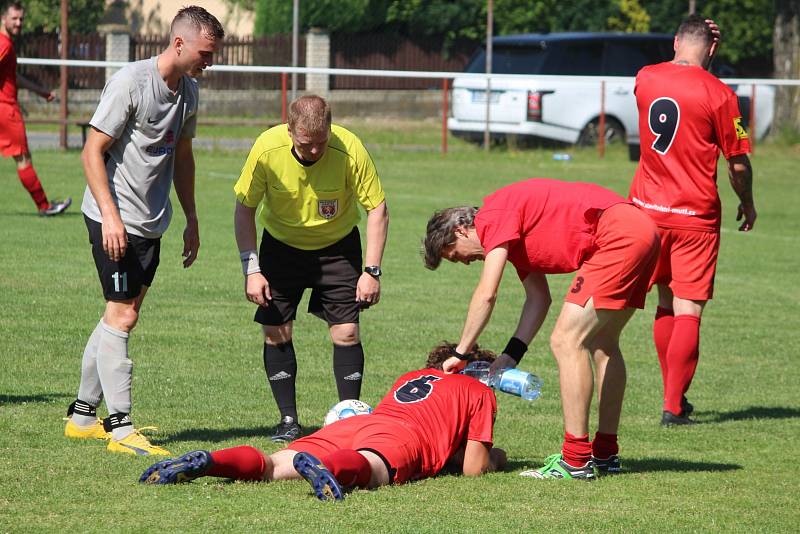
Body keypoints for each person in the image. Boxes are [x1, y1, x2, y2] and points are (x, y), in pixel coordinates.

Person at [62, 6, 224, 456]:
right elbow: (92, 150)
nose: (209, 63)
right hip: (112, 218)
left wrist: (191, 218)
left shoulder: (189, 91)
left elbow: (183, 157)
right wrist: (111, 218)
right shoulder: (130, 82)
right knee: (123, 315)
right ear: (179, 43)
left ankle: (81, 416)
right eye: (205, 53)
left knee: (120, 315)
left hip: (152, 222)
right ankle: (120, 427)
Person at [423, 178, 660, 480]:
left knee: (566, 340)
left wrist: (461, 351)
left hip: (619, 234)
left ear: (460, 230)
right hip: (642, 229)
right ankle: (605, 453)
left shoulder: (492, 216)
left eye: (455, 255)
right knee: (604, 343)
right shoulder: (510, 233)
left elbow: (487, 293)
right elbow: (539, 298)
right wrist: (510, 356)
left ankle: (575, 460)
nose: (465, 262)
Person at [139, 343, 506, 501]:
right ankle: (326, 468)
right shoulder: (478, 391)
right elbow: (473, 469)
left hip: (357, 424)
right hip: (400, 437)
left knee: (272, 466)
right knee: (372, 467)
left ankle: (210, 462)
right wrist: (498, 459)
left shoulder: (412, 376)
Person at [233, 95, 389, 443]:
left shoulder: (350, 149)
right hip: (280, 248)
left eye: (321, 143)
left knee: (347, 333)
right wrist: (251, 268)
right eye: (306, 144)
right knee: (276, 332)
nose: (315, 152)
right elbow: (244, 209)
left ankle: (349, 419)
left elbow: (377, 208)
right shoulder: (266, 149)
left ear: (330, 130)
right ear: (289, 131)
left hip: (337, 249)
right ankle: (288, 420)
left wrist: (372, 270)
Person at [629, 15, 755, 426]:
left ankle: (675, 401)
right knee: (688, 309)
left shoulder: (645, 77)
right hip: (694, 216)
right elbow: (737, 164)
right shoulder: (720, 94)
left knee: (664, 303)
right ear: (713, 48)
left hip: (645, 212)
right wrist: (748, 203)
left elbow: (681, 91)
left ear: (676, 40)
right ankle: (673, 404)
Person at [0, 1, 70, 216]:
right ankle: (44, 207)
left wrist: (41, 91)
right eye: (14, 18)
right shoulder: (4, 44)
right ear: (3, 18)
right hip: (6, 110)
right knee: (23, 159)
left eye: (21, 19)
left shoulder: (6, 43)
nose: (19, 23)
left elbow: (14, 77)